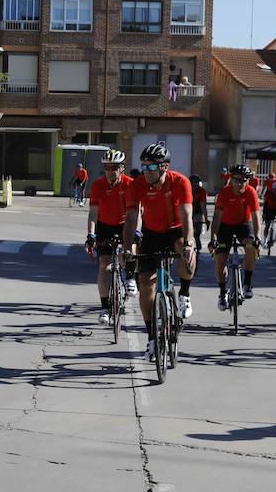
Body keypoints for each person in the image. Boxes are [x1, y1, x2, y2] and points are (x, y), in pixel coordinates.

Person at [124, 143, 197, 363]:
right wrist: (128, 247)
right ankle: (152, 337)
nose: (147, 170)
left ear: (165, 166)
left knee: (184, 250)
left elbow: (186, 214)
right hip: (151, 233)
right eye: (144, 165)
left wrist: (190, 243)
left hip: (175, 231)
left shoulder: (180, 182)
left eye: (152, 166)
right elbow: (130, 217)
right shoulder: (137, 185)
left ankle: (184, 293)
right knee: (146, 282)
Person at [84, 149, 135, 326]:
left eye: (114, 167)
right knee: (104, 265)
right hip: (104, 226)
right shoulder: (98, 185)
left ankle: (130, 276)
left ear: (122, 168)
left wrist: (136, 232)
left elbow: (136, 213)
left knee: (130, 249)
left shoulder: (130, 184)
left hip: (125, 223)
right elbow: (93, 214)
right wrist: (90, 234)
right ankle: (105, 308)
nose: (110, 171)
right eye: (107, 167)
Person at [210, 165, 261, 307]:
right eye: (236, 180)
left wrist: (258, 237)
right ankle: (222, 292)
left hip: (243, 225)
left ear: (248, 181)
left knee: (251, 248)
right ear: (230, 179)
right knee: (220, 260)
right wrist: (213, 239)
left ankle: (247, 283)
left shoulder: (250, 192)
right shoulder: (224, 193)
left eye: (244, 180)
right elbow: (217, 218)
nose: (240, 184)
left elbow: (256, 217)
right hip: (225, 226)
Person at [189, 175, 209, 241]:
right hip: (188, 209)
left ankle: (197, 237)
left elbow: (203, 206)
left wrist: (205, 219)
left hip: (198, 210)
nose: (194, 187)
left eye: (195, 185)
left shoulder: (202, 191)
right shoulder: (186, 190)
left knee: (197, 232)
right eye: (192, 185)